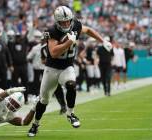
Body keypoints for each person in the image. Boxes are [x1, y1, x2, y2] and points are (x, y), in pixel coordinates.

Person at [28, 6, 112, 137]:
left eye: (68, 21)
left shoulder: (76, 25)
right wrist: (69, 42)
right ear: (57, 22)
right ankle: (35, 124)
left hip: (67, 66)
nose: (67, 24)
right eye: (63, 22)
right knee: (44, 100)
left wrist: (103, 40)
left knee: (71, 85)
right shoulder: (52, 31)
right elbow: (54, 53)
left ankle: (70, 114)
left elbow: (88, 30)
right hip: (52, 68)